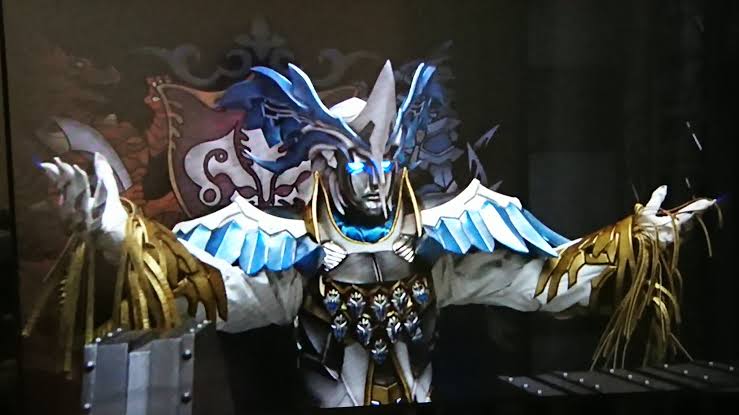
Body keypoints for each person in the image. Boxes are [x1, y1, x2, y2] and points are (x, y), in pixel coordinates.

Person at [38, 61, 715, 407]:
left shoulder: (433, 259)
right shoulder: (297, 268)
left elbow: (545, 287)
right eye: (355, 161)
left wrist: (638, 240)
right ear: (327, 166)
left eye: (382, 160)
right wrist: (109, 226)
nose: (372, 177)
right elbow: (200, 297)